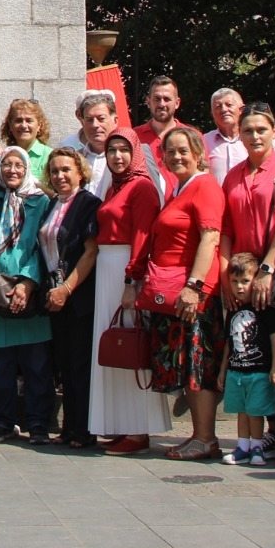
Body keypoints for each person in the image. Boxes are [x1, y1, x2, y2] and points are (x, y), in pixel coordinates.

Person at [221, 105, 275, 466]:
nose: (254, 136)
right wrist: (228, 275)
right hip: (245, 279)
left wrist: (268, 269)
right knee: (255, 356)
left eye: (261, 129)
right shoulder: (234, 174)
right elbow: (225, 227)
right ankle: (271, 430)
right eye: (247, 130)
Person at [140, 126, 229, 462]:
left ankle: (206, 438)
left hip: (197, 296)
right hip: (178, 295)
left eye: (183, 151)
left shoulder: (204, 186)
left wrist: (194, 287)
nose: (176, 156)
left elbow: (210, 237)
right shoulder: (180, 189)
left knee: (199, 366)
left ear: (198, 154)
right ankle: (198, 435)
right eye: (170, 152)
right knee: (188, 367)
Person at [90, 132, 169, 453]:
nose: (117, 156)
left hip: (125, 269)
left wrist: (131, 281)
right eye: (112, 150)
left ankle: (139, 430)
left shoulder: (142, 187)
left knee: (132, 346)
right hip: (107, 268)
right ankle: (124, 425)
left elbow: (143, 237)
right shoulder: (114, 186)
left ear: (135, 152)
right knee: (116, 349)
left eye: (124, 150)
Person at [0, 145, 56, 442]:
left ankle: (38, 423)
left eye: (18, 165)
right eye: (7, 164)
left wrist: (28, 282)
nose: (12, 170)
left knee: (36, 365)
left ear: (27, 169)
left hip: (29, 291)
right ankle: (1, 421)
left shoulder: (40, 201)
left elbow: (45, 246)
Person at [40, 148, 103, 449]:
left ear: (80, 172)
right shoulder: (53, 203)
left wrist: (66, 290)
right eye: (54, 171)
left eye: (66, 170)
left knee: (80, 366)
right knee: (64, 364)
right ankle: (69, 428)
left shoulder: (88, 204)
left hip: (77, 297)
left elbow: (91, 251)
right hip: (55, 296)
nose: (60, 176)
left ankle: (84, 430)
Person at [220, 255, 275, 464]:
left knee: (255, 411)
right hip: (236, 371)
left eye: (245, 281)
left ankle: (257, 447)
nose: (239, 287)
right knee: (241, 411)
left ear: (255, 280)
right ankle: (243, 447)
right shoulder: (233, 310)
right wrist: (223, 370)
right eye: (234, 281)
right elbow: (229, 342)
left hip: (259, 372)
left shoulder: (264, 308)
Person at [0, 99, 56, 185]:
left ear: (39, 125)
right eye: (18, 121)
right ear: (10, 125)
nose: (24, 126)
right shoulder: (3, 156)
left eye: (29, 120)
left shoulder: (50, 156)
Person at [203, 88, 247, 181]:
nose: (224, 109)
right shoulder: (204, 141)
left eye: (229, 105)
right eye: (218, 106)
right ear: (212, 113)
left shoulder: (255, 138)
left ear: (241, 110)